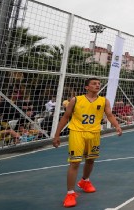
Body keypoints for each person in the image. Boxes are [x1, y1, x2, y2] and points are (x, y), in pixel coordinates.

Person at [52, 78, 122, 208]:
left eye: (98, 84)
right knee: (75, 162)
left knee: (91, 160)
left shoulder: (103, 101)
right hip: (77, 132)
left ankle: (84, 181)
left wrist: (117, 126)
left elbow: (109, 115)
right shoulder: (76, 100)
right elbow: (66, 116)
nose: (97, 85)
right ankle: (70, 193)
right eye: (94, 83)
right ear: (86, 87)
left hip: (94, 133)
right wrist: (56, 135)